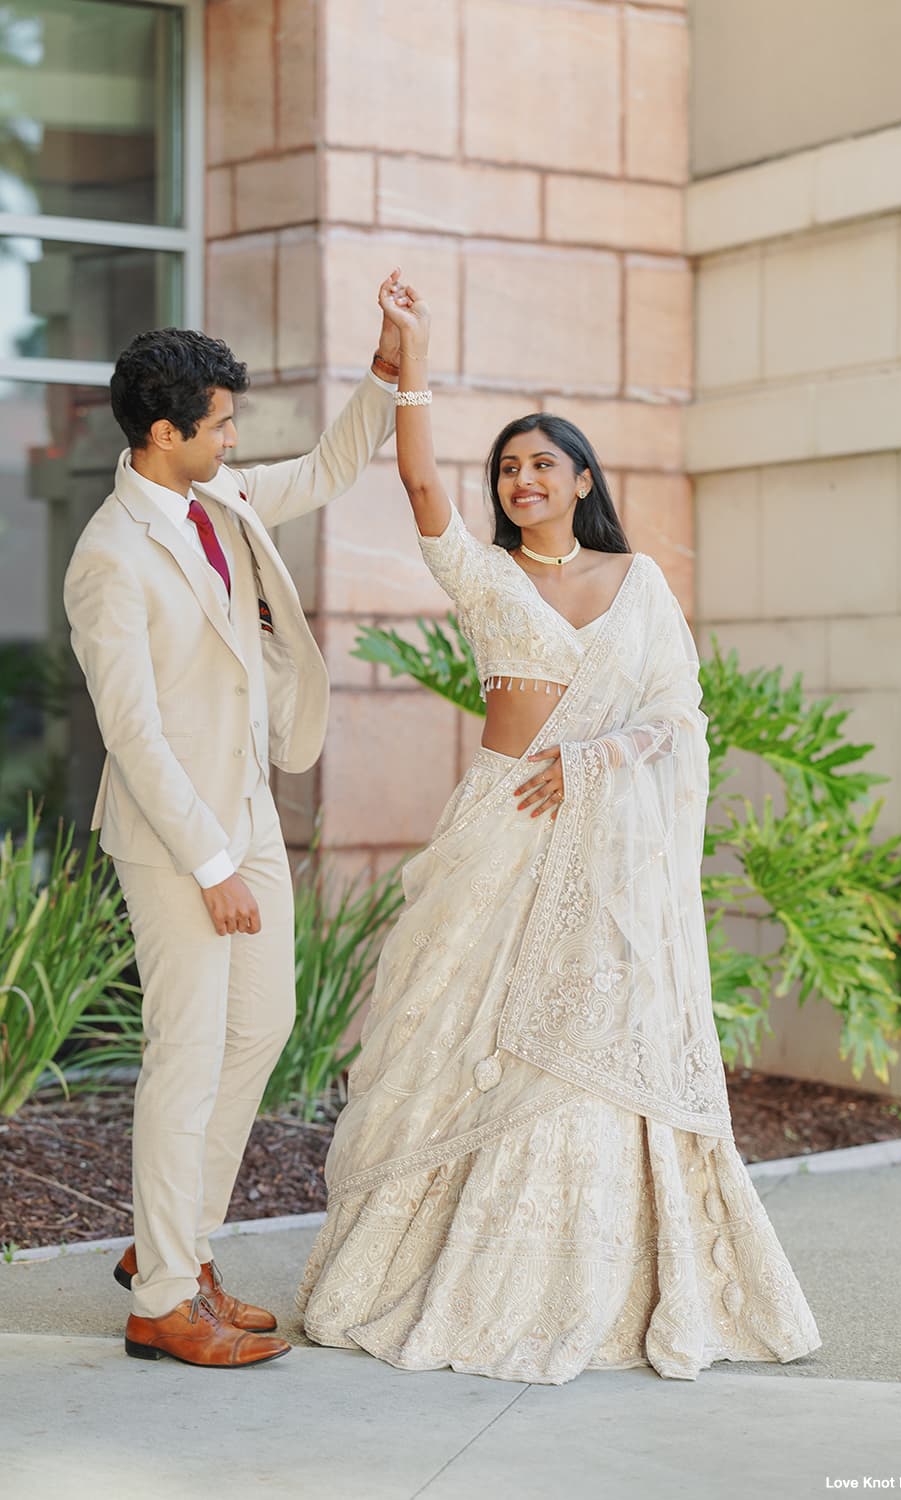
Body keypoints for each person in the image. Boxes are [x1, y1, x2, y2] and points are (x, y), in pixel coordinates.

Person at [298, 284, 821, 1384]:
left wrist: (594, 761)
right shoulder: (482, 576)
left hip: (599, 835)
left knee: (586, 1038)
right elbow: (418, 480)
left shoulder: (639, 585)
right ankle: (430, 1267)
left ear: (582, 480)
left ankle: (596, 1280)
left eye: (542, 463)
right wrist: (416, 359)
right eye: (509, 467)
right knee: (455, 1031)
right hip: (501, 824)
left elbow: (678, 719)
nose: (522, 479)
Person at [63, 272, 409, 1369]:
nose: (231, 440)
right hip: (176, 837)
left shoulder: (219, 497)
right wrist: (211, 860)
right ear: (165, 434)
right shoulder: (109, 561)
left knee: (260, 1028)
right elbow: (134, 733)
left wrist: (390, 370)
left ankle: (174, 1248)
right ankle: (163, 1298)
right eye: (218, 427)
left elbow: (326, 468)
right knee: (189, 1051)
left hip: (247, 806)